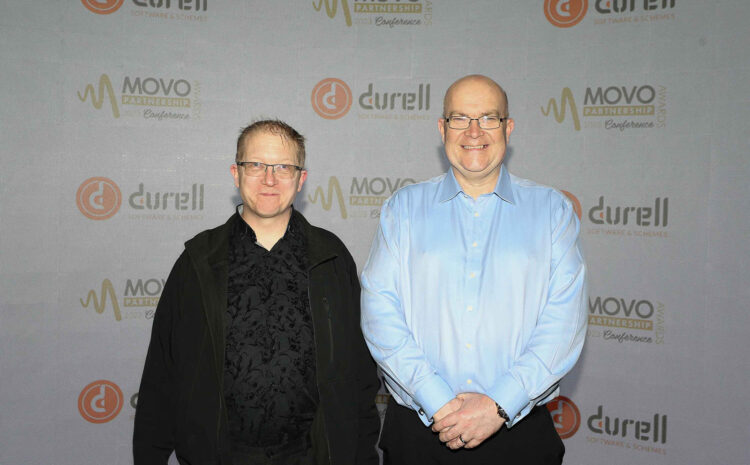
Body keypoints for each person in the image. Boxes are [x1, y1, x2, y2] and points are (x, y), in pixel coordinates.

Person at [360, 75, 587, 464]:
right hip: (419, 432)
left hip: (520, 434)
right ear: (442, 128)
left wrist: (499, 404)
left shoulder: (552, 211)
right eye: (460, 118)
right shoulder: (404, 208)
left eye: (489, 118)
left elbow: (564, 324)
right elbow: (380, 311)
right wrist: (436, 400)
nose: (474, 131)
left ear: (508, 128)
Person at [133, 119, 380, 465]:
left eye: (283, 167)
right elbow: (162, 372)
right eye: (256, 165)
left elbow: (359, 374)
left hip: (312, 456)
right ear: (236, 174)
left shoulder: (332, 257)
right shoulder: (198, 261)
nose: (269, 179)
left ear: (301, 179)